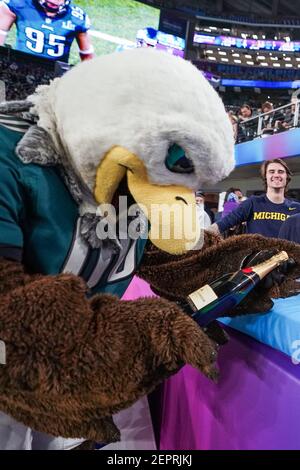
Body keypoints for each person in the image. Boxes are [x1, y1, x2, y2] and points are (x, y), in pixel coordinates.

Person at [209, 159, 300, 238]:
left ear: (286, 177)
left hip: (287, 256)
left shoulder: (297, 208)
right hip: (257, 257)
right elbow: (223, 223)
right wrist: (202, 236)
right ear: (265, 177)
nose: (276, 175)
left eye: (280, 172)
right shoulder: (253, 203)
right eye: (271, 172)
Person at [0, 0, 94, 63]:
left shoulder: (77, 18)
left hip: (56, 75)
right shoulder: (18, 5)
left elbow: (87, 56)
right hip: (21, 67)